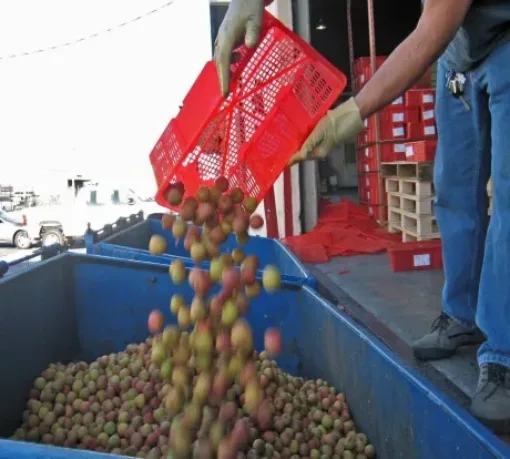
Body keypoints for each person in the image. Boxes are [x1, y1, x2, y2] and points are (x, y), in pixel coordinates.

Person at [214, 0, 510, 431]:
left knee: (506, 195)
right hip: (460, 52)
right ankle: (462, 316)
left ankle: (502, 352)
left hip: (500, 36)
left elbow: (432, 30)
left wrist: (345, 118)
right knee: (454, 187)